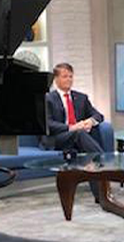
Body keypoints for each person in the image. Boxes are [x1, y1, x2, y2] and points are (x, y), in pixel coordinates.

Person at [44, 63, 105, 200]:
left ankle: (100, 194)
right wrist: (72, 127)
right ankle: (103, 169)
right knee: (80, 134)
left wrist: (90, 121)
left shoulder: (81, 98)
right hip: (58, 138)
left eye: (71, 76)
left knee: (87, 143)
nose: (69, 80)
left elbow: (98, 116)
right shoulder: (48, 98)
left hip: (79, 138)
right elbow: (48, 124)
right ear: (56, 79)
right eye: (65, 76)